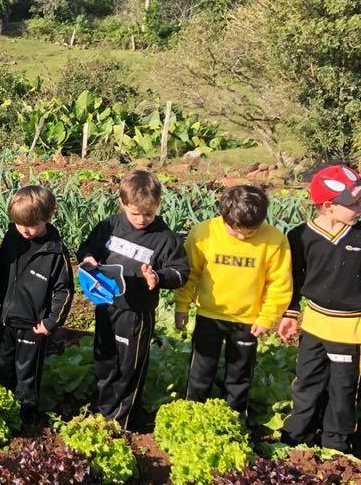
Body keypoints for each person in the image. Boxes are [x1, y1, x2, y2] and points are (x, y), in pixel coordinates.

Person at [78, 171, 189, 428]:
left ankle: (123, 421)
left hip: (137, 312)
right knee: (105, 360)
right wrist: (87, 259)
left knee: (130, 367)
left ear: (158, 205)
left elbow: (180, 272)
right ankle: (105, 411)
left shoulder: (165, 238)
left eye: (148, 214)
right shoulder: (110, 226)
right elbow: (87, 248)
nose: (141, 220)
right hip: (107, 304)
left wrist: (158, 278)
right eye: (135, 213)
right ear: (121, 203)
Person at [175, 184, 292, 420]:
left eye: (250, 232)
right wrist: (181, 305)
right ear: (223, 215)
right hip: (210, 314)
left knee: (239, 374)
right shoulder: (204, 232)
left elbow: (278, 283)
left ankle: (235, 417)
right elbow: (191, 273)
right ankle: (193, 414)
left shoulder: (274, 240)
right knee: (201, 370)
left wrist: (267, 317)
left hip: (248, 320)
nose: (242, 236)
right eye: (235, 230)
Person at [278, 166, 361, 452]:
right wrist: (289, 313)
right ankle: (297, 436)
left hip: (350, 330)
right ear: (328, 207)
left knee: (343, 389)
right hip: (314, 325)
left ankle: (335, 445)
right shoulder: (300, 236)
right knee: (307, 382)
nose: (358, 208)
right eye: (353, 204)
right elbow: (292, 279)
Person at [0, 185, 73, 423]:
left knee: (27, 374)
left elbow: (64, 290)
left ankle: (26, 418)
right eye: (19, 224)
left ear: (47, 218)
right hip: (5, 319)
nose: (25, 231)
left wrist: (51, 322)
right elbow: (0, 271)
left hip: (34, 326)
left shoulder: (55, 252)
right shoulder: (12, 238)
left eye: (31, 226)